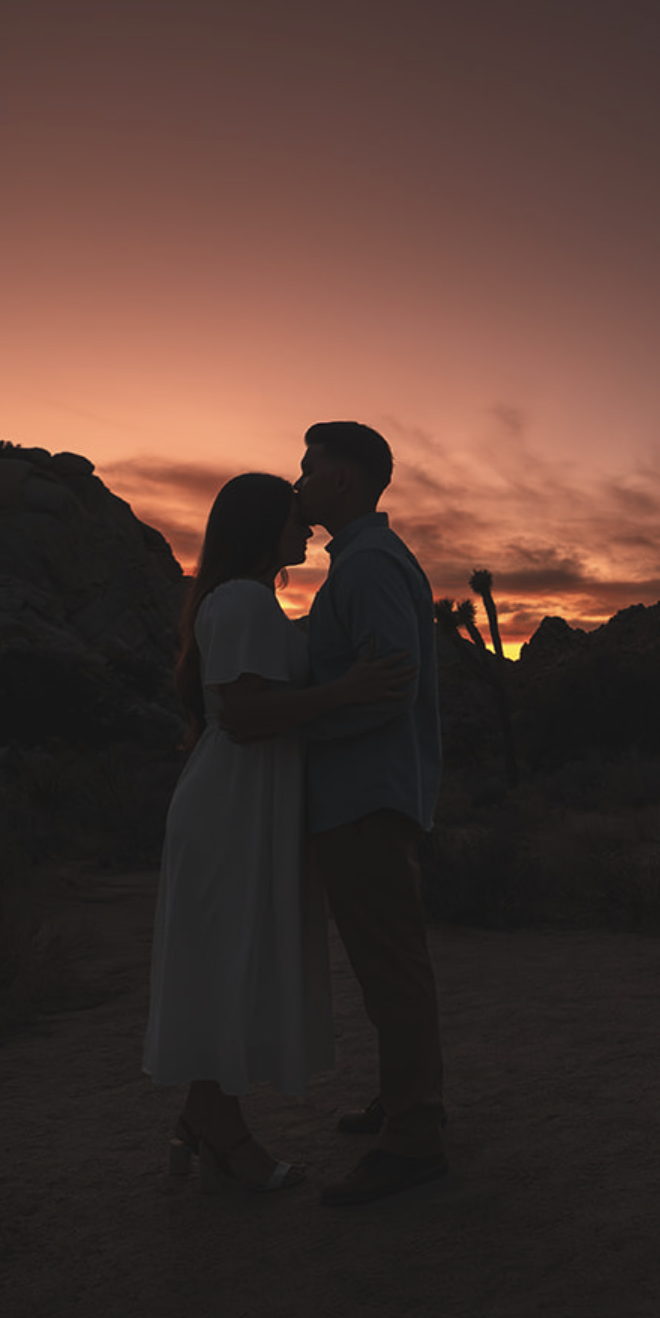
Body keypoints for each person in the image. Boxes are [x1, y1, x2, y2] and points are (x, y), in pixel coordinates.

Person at [145, 471, 413, 1192]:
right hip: (231, 807)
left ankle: (204, 1122)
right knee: (225, 962)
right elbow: (242, 711)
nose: (306, 524)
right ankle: (220, 1132)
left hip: (241, 804)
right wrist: (346, 692)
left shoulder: (250, 603)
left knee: (227, 962)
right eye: (294, 515)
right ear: (265, 526)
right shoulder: (240, 602)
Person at [246, 420, 446, 1206]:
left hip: (363, 795)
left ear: (345, 480)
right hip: (367, 791)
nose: (297, 482)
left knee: (390, 967)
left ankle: (415, 1137)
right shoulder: (369, 560)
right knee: (387, 963)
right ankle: (405, 1103)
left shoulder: (364, 567)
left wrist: (304, 720)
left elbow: (387, 681)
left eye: (308, 469)